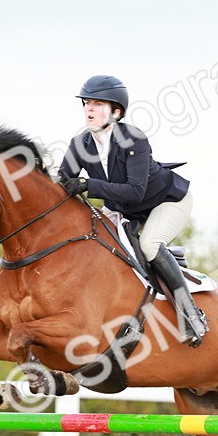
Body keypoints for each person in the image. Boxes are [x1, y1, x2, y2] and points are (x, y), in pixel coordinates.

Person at [58, 75, 208, 347]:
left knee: (150, 245)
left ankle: (191, 315)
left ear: (116, 112)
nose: (89, 109)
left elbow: (135, 191)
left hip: (166, 202)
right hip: (126, 211)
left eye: (98, 104)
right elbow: (62, 184)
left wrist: (88, 184)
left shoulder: (134, 140)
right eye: (86, 103)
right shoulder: (80, 144)